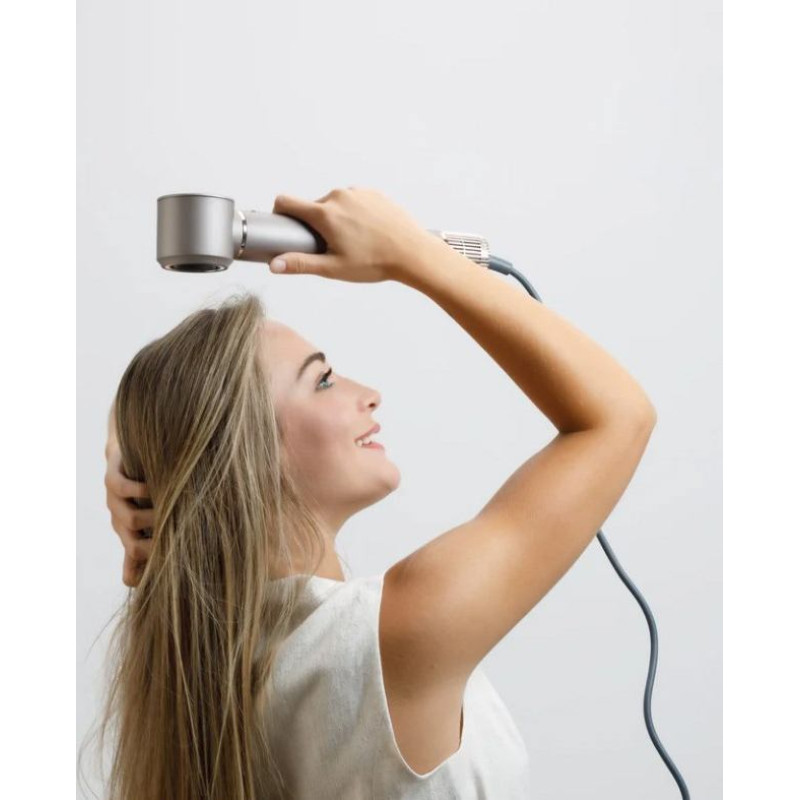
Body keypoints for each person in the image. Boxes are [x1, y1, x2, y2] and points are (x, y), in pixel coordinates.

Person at [101, 186, 657, 799]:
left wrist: (140, 452)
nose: (368, 394)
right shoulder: (394, 635)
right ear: (248, 452)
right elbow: (617, 417)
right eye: (324, 380)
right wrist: (412, 256)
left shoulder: (195, 667)